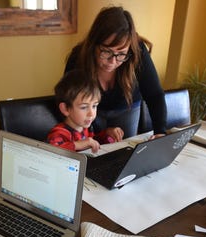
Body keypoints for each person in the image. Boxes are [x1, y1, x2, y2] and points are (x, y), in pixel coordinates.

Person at [64, 6, 168, 140]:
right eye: (106, 51)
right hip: (89, 111)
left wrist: (160, 131)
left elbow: (154, 94)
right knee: (92, 150)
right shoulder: (78, 57)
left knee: (125, 150)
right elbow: (68, 99)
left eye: (121, 54)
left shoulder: (137, 52)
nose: (112, 61)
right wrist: (96, 132)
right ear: (94, 43)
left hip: (127, 108)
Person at [47, 69, 122, 153]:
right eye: (84, 107)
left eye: (94, 106)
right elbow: (52, 151)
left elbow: (93, 142)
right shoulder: (59, 133)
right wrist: (78, 145)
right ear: (65, 109)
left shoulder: (85, 128)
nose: (91, 113)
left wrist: (107, 134)